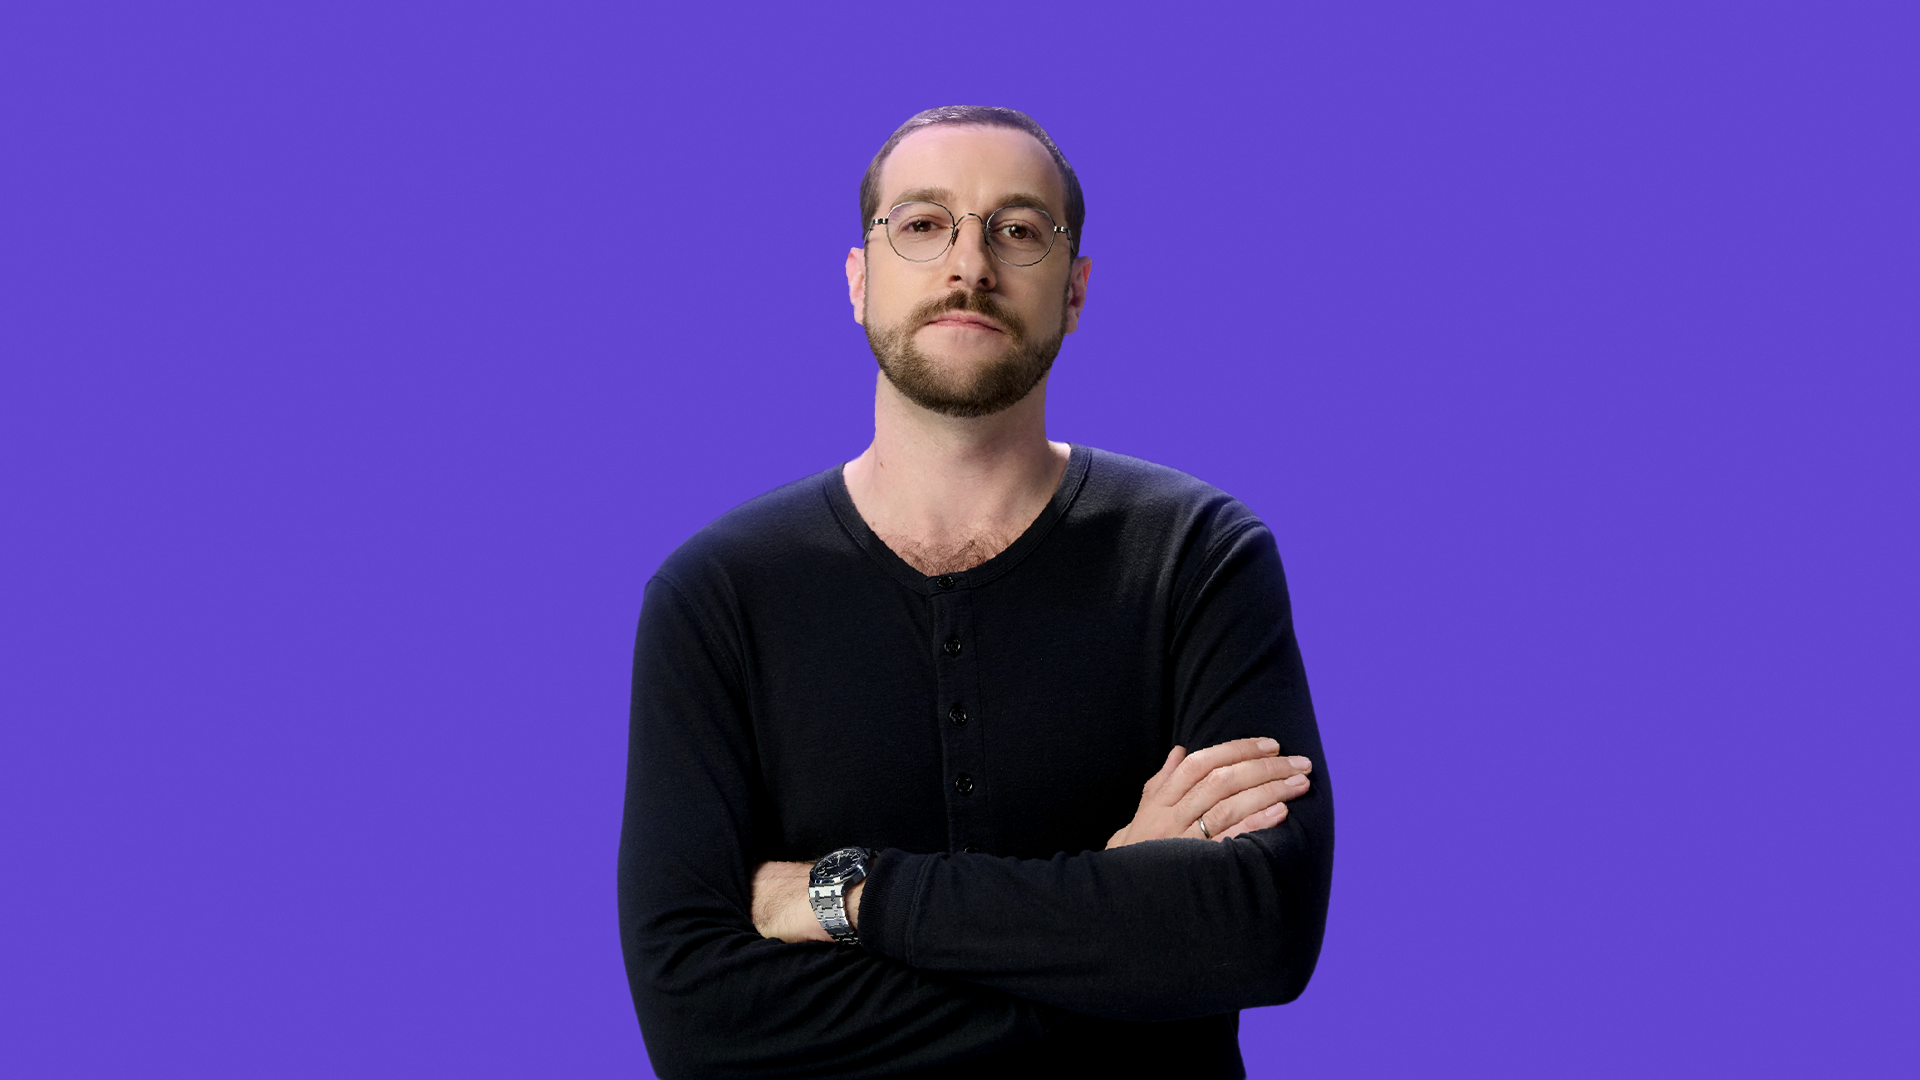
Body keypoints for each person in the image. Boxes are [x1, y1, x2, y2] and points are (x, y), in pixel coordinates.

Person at [618, 105, 1334, 1079]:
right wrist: (1117, 923)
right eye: (922, 224)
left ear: (1074, 290)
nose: (970, 265)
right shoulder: (716, 594)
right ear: (859, 280)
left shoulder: (1199, 555)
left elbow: (1258, 933)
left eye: (1018, 229)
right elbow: (698, 1024)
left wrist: (850, 895)